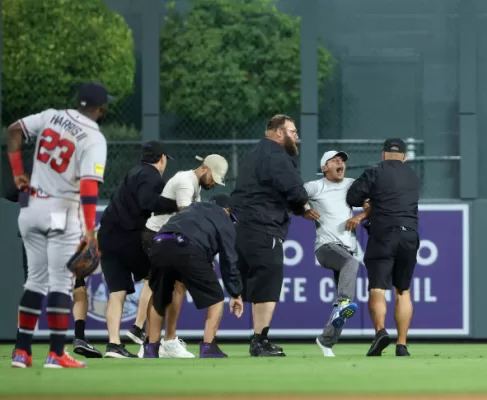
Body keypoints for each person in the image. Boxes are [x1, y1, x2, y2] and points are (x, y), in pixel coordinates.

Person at [8, 82, 111, 368]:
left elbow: (14, 130)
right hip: (62, 210)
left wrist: (18, 173)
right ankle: (55, 353)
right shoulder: (94, 137)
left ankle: (21, 351)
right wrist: (90, 230)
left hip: (31, 208)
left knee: (34, 280)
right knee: (61, 282)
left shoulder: (51, 116)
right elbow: (89, 185)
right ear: (100, 109)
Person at [135, 154, 229, 358]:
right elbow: (190, 220)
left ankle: (165, 341)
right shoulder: (186, 183)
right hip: (161, 238)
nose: (214, 183)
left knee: (175, 288)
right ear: (204, 168)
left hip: (171, 240)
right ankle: (151, 342)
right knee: (159, 289)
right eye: (214, 177)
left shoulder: (195, 186)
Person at [230, 114, 309, 357]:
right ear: (279, 133)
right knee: (268, 285)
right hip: (265, 227)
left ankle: (220, 340)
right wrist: (302, 207)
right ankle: (260, 340)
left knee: (250, 284)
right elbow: (297, 193)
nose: (297, 137)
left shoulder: (251, 156)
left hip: (241, 228)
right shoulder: (277, 156)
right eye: (293, 132)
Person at [97, 141, 180, 358]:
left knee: (117, 291)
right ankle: (145, 335)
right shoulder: (151, 175)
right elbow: (148, 203)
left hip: (107, 235)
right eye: (166, 160)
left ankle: (114, 344)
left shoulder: (133, 172)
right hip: (128, 236)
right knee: (157, 278)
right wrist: (177, 205)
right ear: (161, 158)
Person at [142, 193, 243, 359]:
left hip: (159, 243)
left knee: (159, 295)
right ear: (227, 210)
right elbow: (229, 260)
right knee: (216, 297)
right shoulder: (223, 218)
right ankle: (208, 347)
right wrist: (235, 292)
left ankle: (151, 348)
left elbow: (195, 230)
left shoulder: (191, 208)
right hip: (187, 247)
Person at [346, 138, 421, 357]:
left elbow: (353, 196)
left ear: (383, 155)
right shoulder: (413, 177)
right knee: (403, 291)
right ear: (405, 157)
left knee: (378, 288)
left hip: (384, 235)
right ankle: (402, 344)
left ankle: (380, 332)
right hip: (409, 235)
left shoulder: (375, 171)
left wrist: (369, 203)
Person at [301, 150, 369, 357]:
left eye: (342, 160)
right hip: (326, 246)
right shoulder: (315, 186)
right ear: (324, 168)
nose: (340, 162)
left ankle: (326, 341)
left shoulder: (351, 184)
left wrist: (361, 216)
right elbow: (294, 196)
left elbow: (371, 202)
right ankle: (343, 303)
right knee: (350, 267)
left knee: (344, 302)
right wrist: (304, 208)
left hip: (347, 246)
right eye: (334, 160)